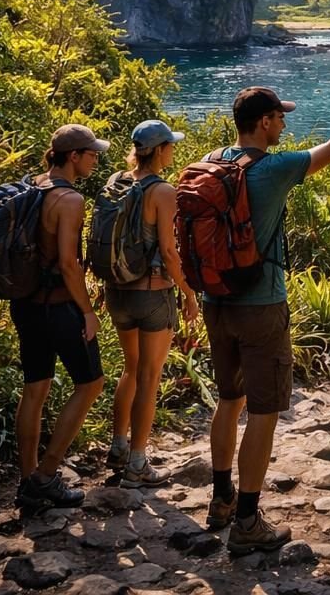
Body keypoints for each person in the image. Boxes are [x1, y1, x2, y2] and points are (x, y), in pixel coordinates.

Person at [204, 88, 330, 555]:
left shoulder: (211, 162)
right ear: (264, 122)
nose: (284, 126)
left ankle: (221, 498)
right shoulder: (273, 168)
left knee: (229, 399)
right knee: (264, 412)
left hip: (215, 299)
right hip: (261, 305)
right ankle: (248, 520)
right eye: (280, 118)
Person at [13, 124, 109, 511]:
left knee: (35, 387)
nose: (96, 159)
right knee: (91, 383)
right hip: (59, 307)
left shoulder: (32, 186)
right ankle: (46, 476)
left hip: (25, 305)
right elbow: (69, 264)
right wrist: (87, 312)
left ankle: (27, 477)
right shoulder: (70, 200)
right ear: (73, 157)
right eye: (91, 154)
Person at [105, 120, 200, 488]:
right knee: (149, 376)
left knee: (130, 369)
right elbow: (169, 251)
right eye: (170, 146)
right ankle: (138, 464)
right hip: (151, 293)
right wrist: (189, 293)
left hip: (117, 292)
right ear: (159, 150)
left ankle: (118, 447)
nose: (173, 151)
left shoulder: (117, 181)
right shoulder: (162, 191)